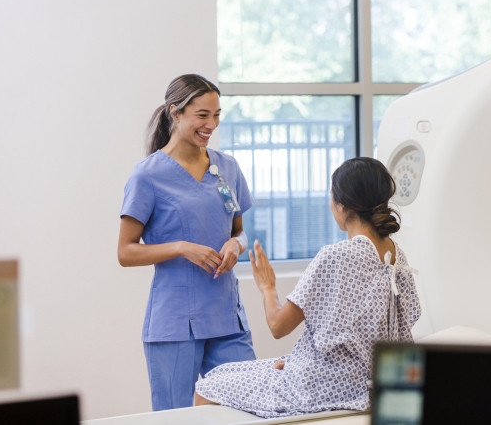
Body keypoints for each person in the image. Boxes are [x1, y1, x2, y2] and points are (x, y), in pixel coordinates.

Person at [194, 157, 422, 417]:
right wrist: (294, 362)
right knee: (232, 370)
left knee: (208, 386)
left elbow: (278, 326)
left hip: (321, 387)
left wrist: (267, 288)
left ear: (341, 205)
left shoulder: (336, 256)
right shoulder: (396, 257)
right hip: (372, 384)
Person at [117, 74, 256, 411]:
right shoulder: (147, 175)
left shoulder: (227, 168)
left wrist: (236, 247)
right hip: (175, 322)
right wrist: (181, 247)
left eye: (217, 115)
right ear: (175, 113)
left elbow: (240, 231)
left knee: (249, 408)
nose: (211, 124)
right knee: (174, 418)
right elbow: (125, 251)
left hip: (227, 315)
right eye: (203, 115)